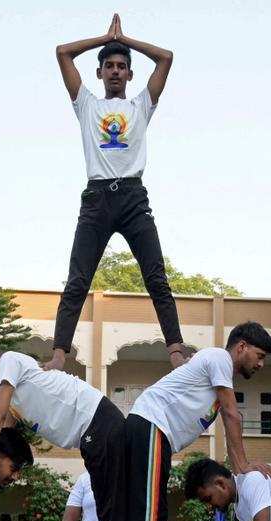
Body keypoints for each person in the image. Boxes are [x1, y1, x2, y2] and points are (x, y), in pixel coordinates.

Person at [46, 14, 185, 373]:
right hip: (96, 199)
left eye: (122, 66)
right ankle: (59, 353)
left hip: (133, 198)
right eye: (109, 65)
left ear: (130, 74)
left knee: (155, 274)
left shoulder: (141, 105)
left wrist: (126, 39)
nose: (115, 71)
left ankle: (175, 350)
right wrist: (105, 37)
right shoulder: (87, 105)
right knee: (78, 278)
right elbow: (63, 53)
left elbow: (166, 57)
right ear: (99, 73)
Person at [126, 321, 271, 521]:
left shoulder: (212, 366)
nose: (261, 364)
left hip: (157, 436)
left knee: (154, 514)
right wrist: (242, 466)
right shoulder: (219, 357)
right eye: (260, 356)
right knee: (150, 516)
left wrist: (239, 466)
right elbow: (232, 414)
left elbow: (231, 418)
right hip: (150, 426)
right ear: (241, 347)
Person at [0, 337, 126, 521]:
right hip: (88, 433)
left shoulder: (10, 360)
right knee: (105, 502)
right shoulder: (13, 398)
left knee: (111, 504)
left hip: (96, 418)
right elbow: (5, 438)